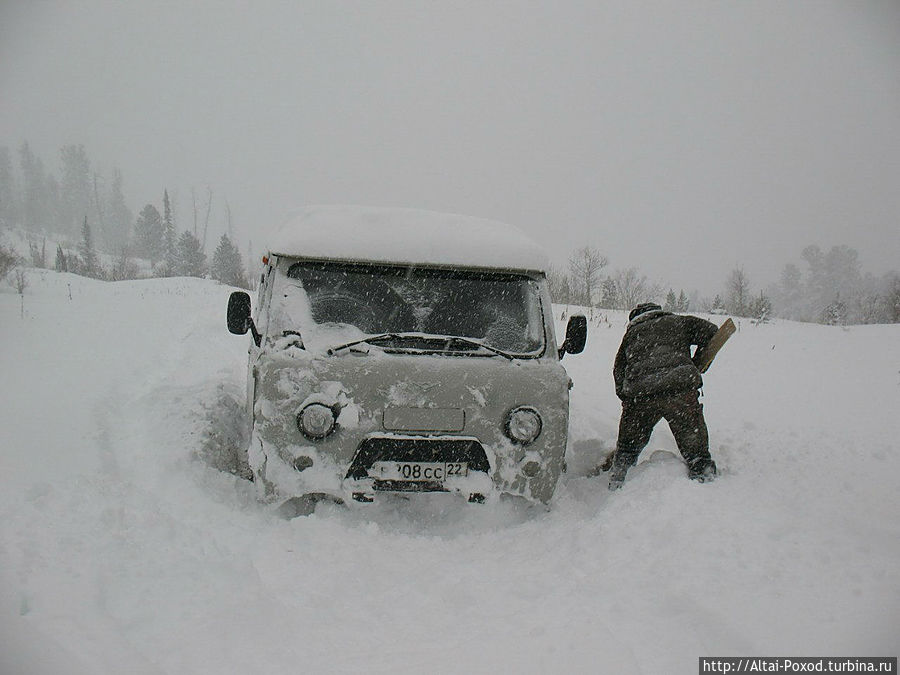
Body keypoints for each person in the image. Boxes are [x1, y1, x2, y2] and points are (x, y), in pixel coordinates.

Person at [606, 302, 720, 490]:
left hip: (640, 394)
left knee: (628, 447)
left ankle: (617, 481)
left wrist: (627, 400)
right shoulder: (679, 322)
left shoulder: (631, 335)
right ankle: (705, 479)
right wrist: (695, 364)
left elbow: (619, 370)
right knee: (694, 446)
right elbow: (713, 332)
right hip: (679, 391)